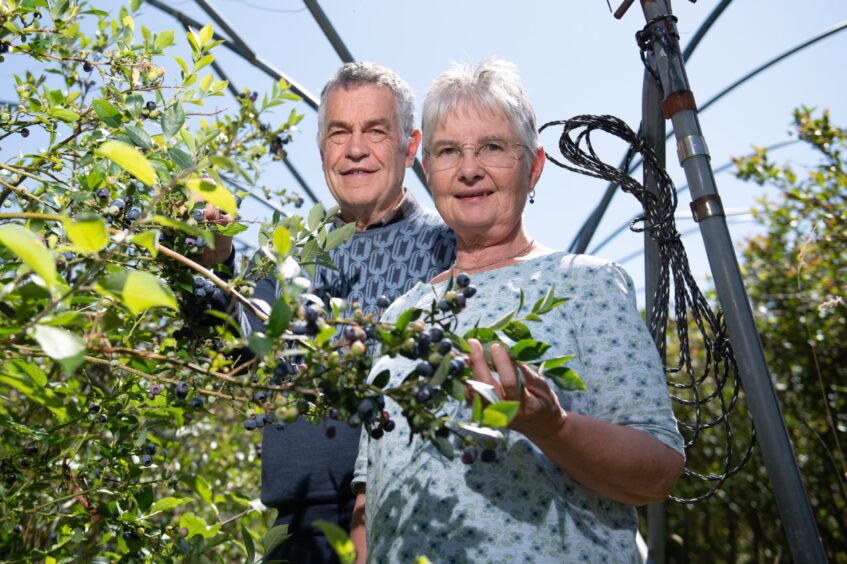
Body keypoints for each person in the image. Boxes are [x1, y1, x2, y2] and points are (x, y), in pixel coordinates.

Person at [351, 60, 685, 563]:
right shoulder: (402, 316)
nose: (469, 169)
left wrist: (553, 426)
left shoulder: (584, 284)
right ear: (428, 171)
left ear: (533, 166)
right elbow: (369, 489)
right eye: (448, 151)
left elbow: (657, 470)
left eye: (492, 147)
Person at [204, 62, 455, 562]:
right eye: (339, 132)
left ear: (410, 146)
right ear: (321, 148)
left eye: (375, 131)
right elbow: (238, 356)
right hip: (299, 525)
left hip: (414, 508)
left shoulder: (447, 249)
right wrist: (218, 264)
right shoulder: (286, 256)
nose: (355, 149)